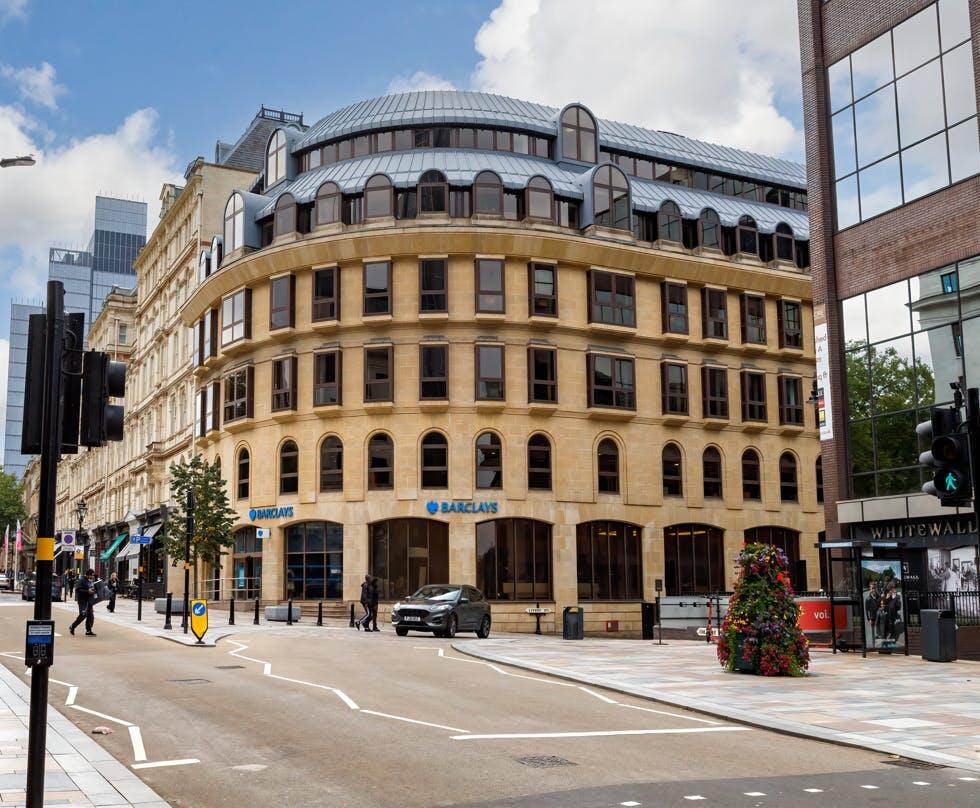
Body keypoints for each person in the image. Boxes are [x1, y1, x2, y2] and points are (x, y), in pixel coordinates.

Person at [69, 569, 98, 637]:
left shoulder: (90, 581)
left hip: (89, 600)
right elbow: (78, 590)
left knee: (90, 616)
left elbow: (92, 588)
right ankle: (73, 626)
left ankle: (88, 630)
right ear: (87, 574)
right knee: (83, 614)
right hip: (82, 601)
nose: (92, 577)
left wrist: (94, 591)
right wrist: (87, 591)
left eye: (93, 576)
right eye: (91, 575)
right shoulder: (81, 580)